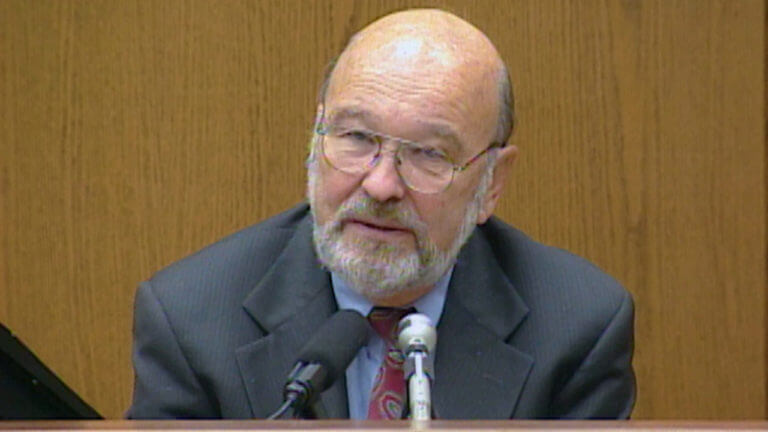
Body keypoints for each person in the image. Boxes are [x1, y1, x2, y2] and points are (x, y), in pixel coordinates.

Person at [127, 9, 635, 419]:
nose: (382, 184)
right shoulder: (191, 323)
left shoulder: (576, 330)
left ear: (491, 184)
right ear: (316, 135)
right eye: (356, 138)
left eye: (429, 154)